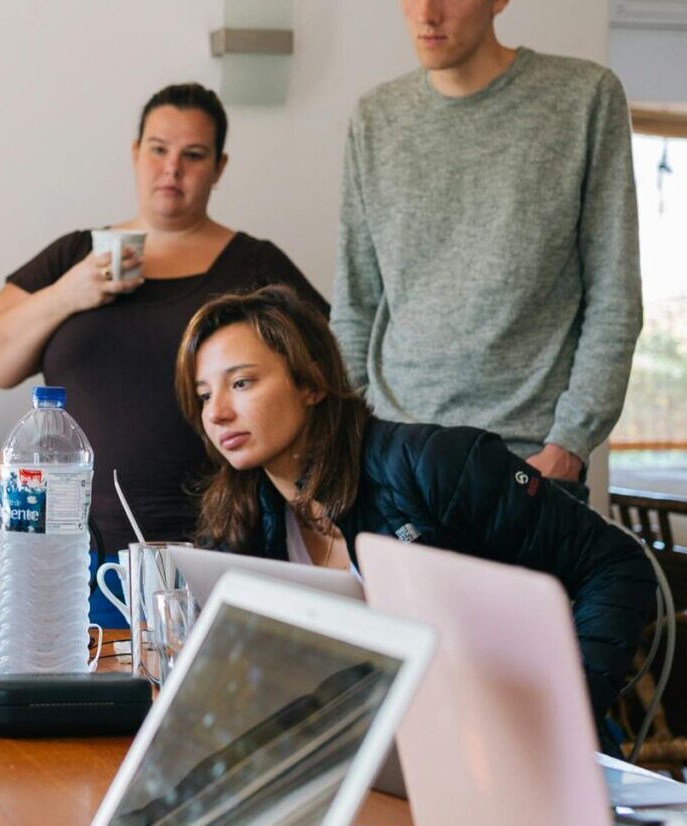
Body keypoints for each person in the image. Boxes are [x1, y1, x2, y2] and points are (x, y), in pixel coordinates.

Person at [177, 286, 657, 719]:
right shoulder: (238, 518)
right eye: (203, 395)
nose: (216, 413)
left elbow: (616, 565)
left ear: (311, 383)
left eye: (241, 383)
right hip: (373, 745)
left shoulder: (437, 466)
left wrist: (561, 711)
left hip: (500, 737)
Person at [335, 0, 641, 487]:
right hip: (394, 451)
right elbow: (355, 302)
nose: (427, 13)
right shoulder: (376, 118)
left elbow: (614, 294)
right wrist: (351, 436)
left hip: (528, 458)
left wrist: (570, 443)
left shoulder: (582, 99)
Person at [0, 83, 319, 622]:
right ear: (135, 154)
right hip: (79, 558)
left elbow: (321, 381)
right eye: (159, 150)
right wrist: (69, 294)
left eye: (194, 155)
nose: (173, 169)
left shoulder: (255, 264)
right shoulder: (75, 254)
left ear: (219, 166)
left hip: (226, 550)